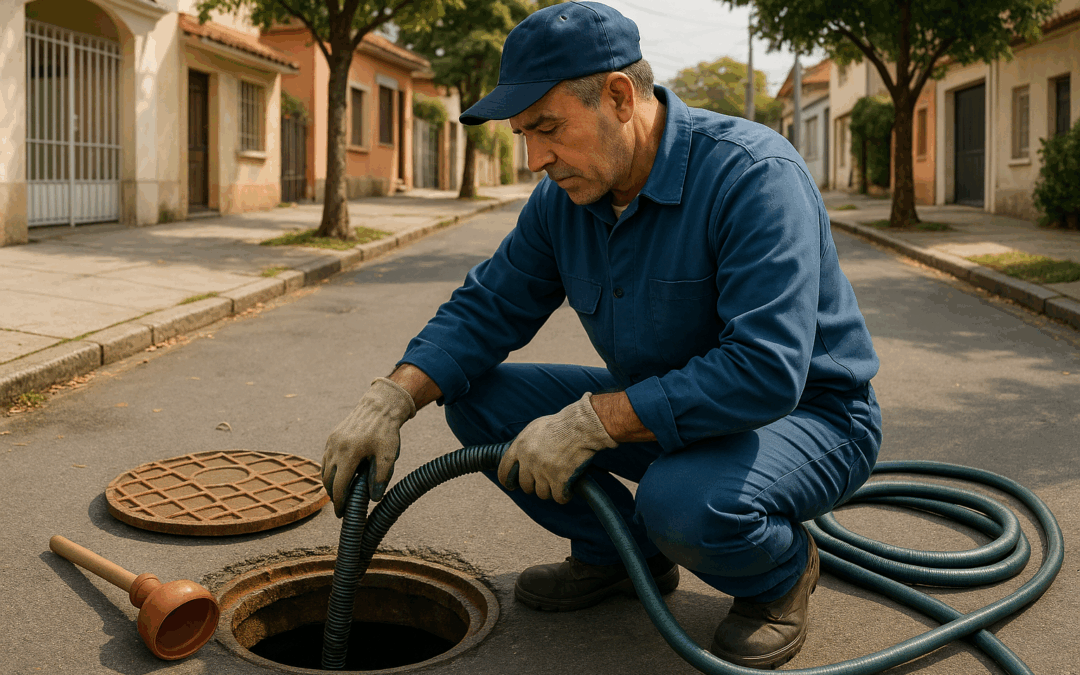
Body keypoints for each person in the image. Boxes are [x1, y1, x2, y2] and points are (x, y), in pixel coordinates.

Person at [321, 1, 882, 669]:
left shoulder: (752, 175)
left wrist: (595, 422)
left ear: (619, 96)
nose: (535, 158)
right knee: (475, 400)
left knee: (680, 502)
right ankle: (620, 553)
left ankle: (781, 575)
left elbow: (764, 371)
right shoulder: (564, 200)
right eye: (523, 134)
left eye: (547, 128)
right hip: (667, 410)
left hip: (809, 416)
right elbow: (488, 306)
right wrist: (391, 397)